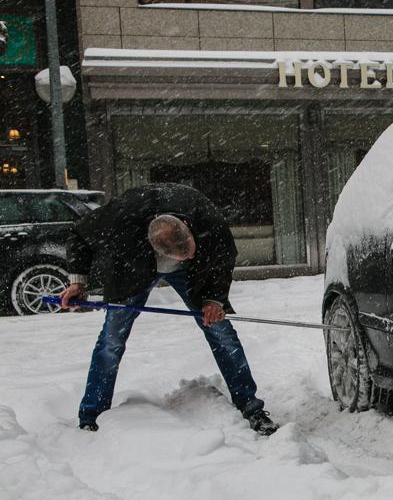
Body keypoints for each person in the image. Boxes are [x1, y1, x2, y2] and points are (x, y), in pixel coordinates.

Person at [59, 183, 279, 435]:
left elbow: (223, 257)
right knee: (112, 338)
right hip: (134, 272)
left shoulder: (207, 219)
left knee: (220, 331)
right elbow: (78, 235)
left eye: (189, 251)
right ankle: (91, 415)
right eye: (180, 256)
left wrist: (214, 301)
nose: (185, 256)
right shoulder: (122, 217)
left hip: (191, 275)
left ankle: (251, 407)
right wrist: (77, 282)